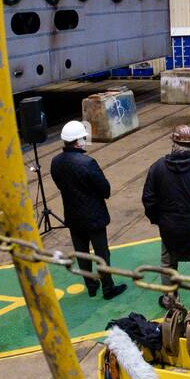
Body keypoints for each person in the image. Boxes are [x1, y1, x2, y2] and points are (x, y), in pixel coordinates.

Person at [142, 125, 190, 308]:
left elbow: (149, 200)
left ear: (173, 143)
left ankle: (170, 299)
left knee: (169, 266)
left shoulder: (157, 169)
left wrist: (160, 221)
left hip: (170, 230)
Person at [49, 121, 127, 301]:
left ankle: (91, 287)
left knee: (81, 253)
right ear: (77, 142)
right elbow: (105, 190)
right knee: (102, 254)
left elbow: (60, 184)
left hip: (73, 216)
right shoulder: (88, 163)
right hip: (94, 217)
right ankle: (108, 288)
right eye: (83, 137)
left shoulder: (56, 162)